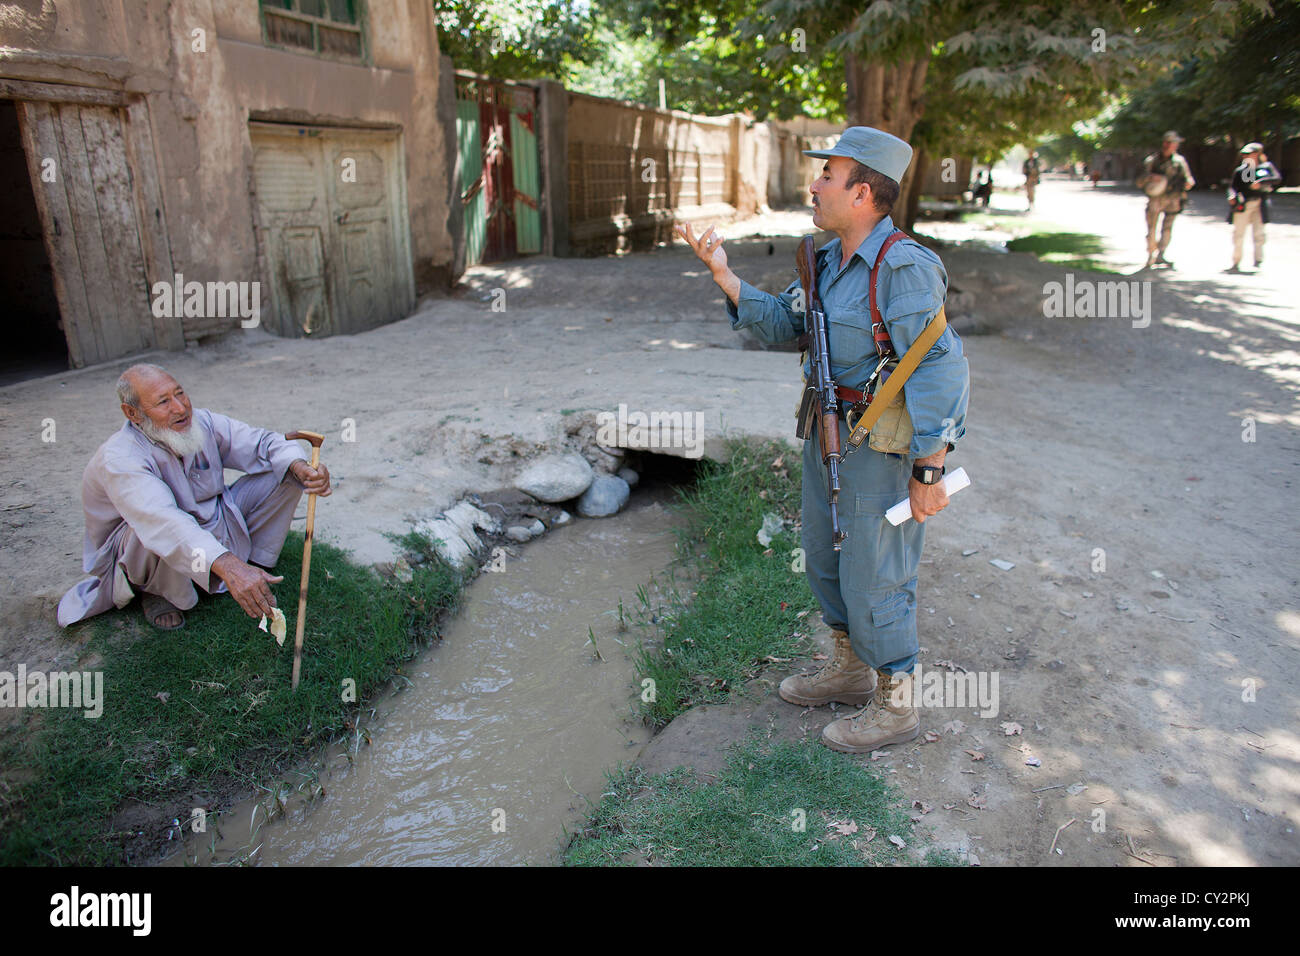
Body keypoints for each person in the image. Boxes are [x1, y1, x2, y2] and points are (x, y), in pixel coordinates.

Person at [674, 126, 970, 753]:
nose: (814, 185)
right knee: (825, 558)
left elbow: (940, 366)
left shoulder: (904, 268)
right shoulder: (828, 257)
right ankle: (850, 670)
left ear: (863, 193)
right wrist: (725, 276)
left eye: (827, 176)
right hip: (827, 437)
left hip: (880, 452)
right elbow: (786, 325)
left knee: (875, 574)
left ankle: (896, 703)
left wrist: (930, 470)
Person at [57, 364, 332, 630]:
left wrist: (299, 467)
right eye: (163, 402)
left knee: (283, 473)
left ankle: (256, 565)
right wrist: (228, 566)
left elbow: (263, 442)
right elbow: (163, 522)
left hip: (210, 522)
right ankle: (157, 590)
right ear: (133, 413)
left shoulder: (203, 421)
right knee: (149, 531)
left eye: (180, 393)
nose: (180, 407)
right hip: (146, 545)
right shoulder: (120, 458)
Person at [1137, 131, 1196, 269]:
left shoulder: (1179, 161)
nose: (1176, 146)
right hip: (1156, 199)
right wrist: (1151, 177)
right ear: (1166, 144)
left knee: (1167, 228)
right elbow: (1139, 181)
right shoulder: (1152, 161)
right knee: (1152, 228)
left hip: (1173, 199)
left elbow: (1188, 178)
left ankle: (1161, 254)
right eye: (1174, 143)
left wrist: (1188, 183)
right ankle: (1150, 254)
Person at [1227, 142, 1282, 273]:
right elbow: (1232, 187)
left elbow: (1277, 179)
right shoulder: (1242, 170)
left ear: (1257, 154)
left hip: (1260, 203)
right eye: (1244, 154)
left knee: (1259, 233)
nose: (1246, 156)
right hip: (1245, 204)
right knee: (1238, 233)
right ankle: (1236, 261)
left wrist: (1261, 183)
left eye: (1249, 154)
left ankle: (1258, 260)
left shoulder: (1266, 168)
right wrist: (1232, 196)